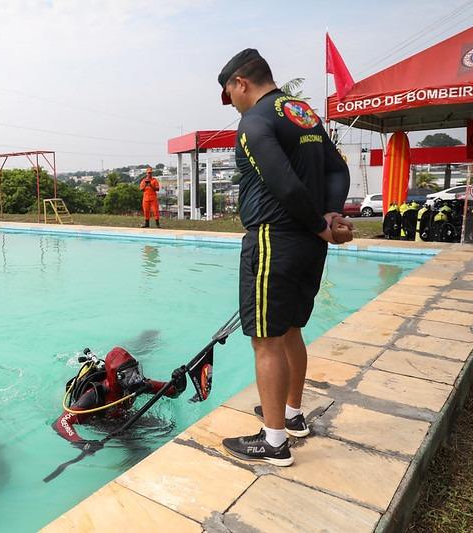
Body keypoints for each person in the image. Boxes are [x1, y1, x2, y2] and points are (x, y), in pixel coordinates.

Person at [216, 49, 352, 466]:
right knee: (291, 330)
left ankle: (273, 442)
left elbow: (283, 185)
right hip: (308, 244)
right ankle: (292, 415)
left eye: (229, 94)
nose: (233, 104)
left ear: (241, 82)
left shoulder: (255, 120)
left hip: (275, 238)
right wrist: (329, 214)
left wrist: (319, 223)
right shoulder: (302, 113)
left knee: (267, 340)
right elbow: (337, 169)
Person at [53, 347, 186, 447]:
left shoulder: (138, 384)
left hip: (123, 417)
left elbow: (171, 392)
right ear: (115, 377)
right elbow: (61, 423)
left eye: (135, 370)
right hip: (100, 423)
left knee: (165, 429)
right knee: (136, 444)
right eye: (128, 374)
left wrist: (179, 384)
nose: (134, 378)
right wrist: (81, 443)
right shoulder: (95, 394)